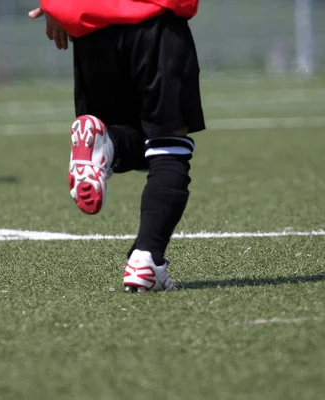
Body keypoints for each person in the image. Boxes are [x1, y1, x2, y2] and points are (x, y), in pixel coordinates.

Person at [29, 0, 205, 292]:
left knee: (136, 139)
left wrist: (55, 6)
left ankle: (106, 144)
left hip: (92, 31)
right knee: (168, 147)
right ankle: (146, 258)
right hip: (155, 22)